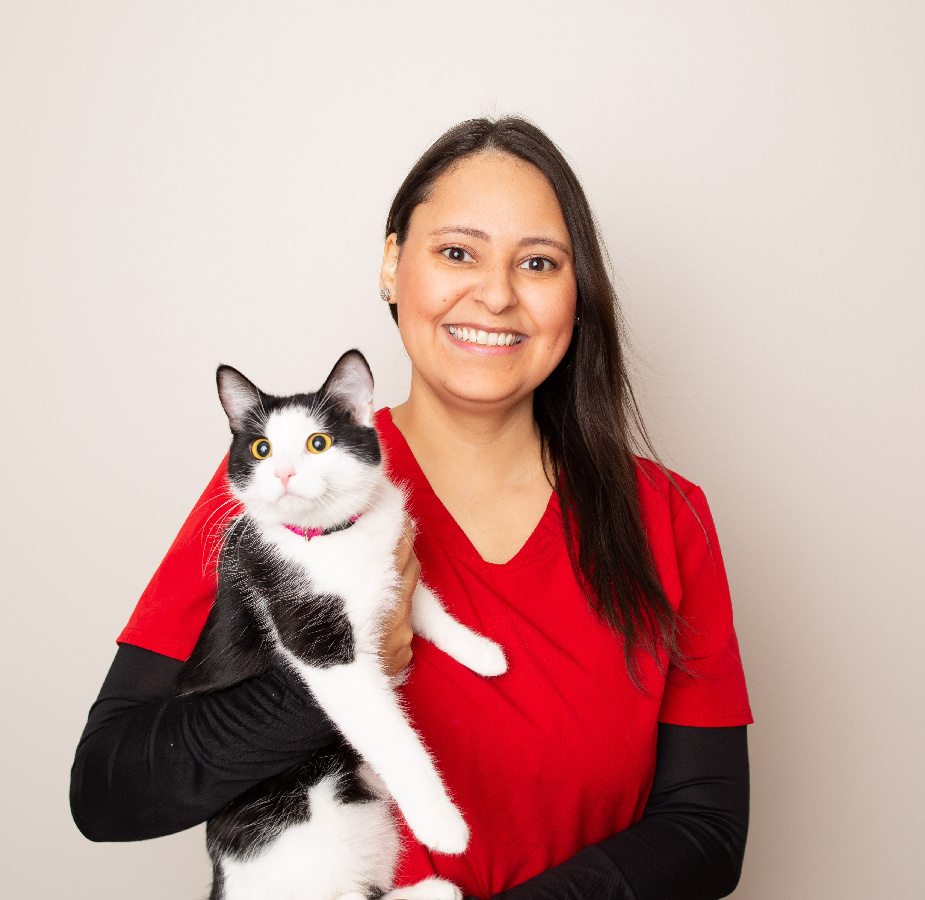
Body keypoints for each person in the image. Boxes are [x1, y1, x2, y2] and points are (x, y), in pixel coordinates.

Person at [70, 116, 752, 899]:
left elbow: (706, 827)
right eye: (456, 252)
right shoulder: (277, 502)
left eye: (537, 262)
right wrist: (334, 674)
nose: (495, 294)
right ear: (393, 265)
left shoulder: (667, 517)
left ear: (577, 293)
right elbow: (106, 791)